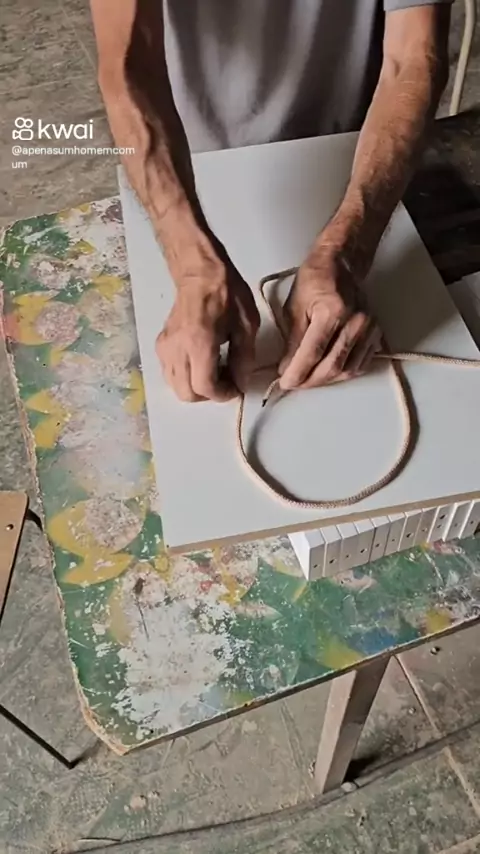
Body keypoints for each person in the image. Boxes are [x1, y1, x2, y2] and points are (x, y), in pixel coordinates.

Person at [91, 0, 451, 401]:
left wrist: (349, 250)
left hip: (359, 151)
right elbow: (129, 65)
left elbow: (413, 57)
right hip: (185, 161)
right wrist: (192, 268)